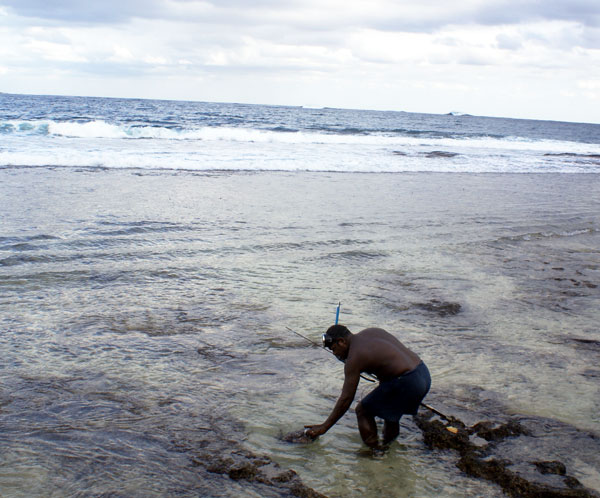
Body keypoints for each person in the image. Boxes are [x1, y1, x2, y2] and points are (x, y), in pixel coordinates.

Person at [304, 325, 431, 450]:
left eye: (334, 349)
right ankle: (388, 448)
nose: (335, 353)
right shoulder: (372, 332)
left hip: (407, 382)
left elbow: (346, 398)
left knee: (363, 410)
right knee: (391, 411)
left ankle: (373, 453)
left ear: (341, 341)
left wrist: (324, 427)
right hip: (423, 374)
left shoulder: (354, 358)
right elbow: (387, 363)